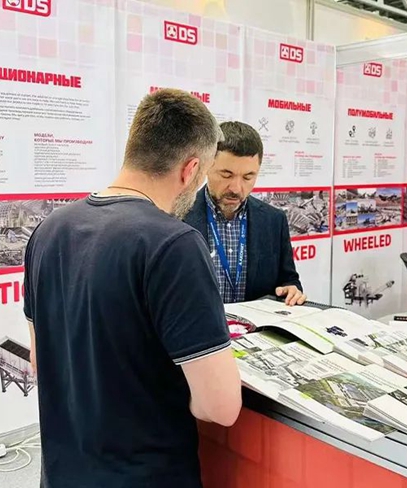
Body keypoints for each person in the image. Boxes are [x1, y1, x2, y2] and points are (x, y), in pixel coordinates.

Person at [24, 88, 242, 488]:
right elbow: (221, 407)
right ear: (191, 169)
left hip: (63, 475)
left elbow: (42, 359)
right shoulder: (174, 244)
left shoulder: (49, 230)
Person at [184, 121, 305, 305]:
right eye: (226, 175)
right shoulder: (177, 217)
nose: (236, 188)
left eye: (248, 177)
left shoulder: (273, 220)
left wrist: (291, 290)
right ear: (206, 166)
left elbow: (289, 280)